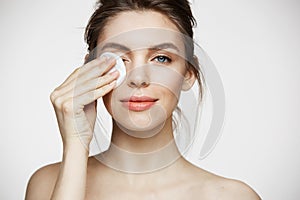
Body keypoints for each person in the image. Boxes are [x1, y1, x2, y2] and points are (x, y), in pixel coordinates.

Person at [25, 0, 261, 199]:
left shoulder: (231, 196)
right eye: (118, 58)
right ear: (90, 70)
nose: (138, 79)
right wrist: (76, 145)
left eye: (161, 58)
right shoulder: (47, 185)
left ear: (188, 73)